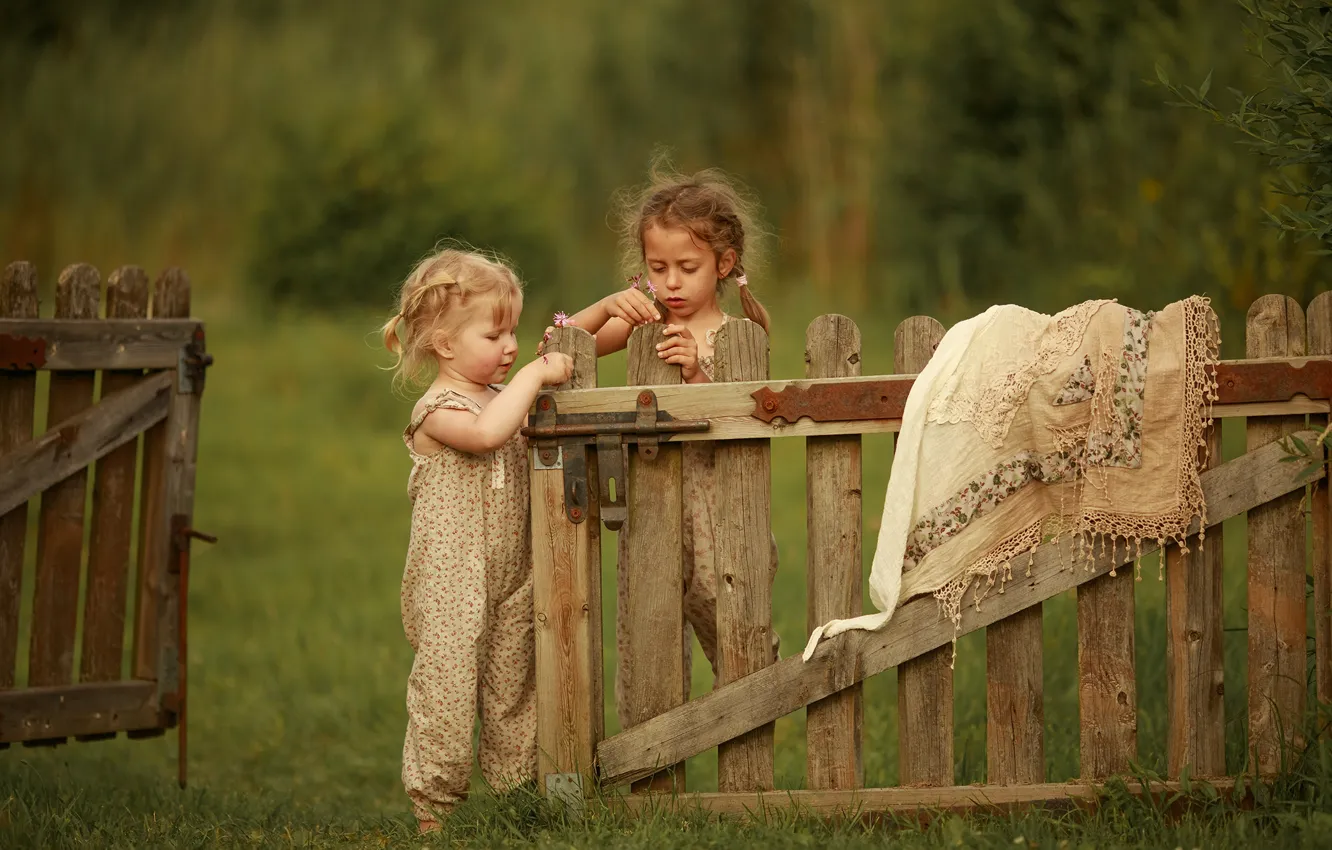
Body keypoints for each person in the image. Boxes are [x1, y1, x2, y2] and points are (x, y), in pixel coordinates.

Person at [550, 160, 779, 726]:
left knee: (725, 615)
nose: (671, 282)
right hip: (650, 500)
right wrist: (607, 307)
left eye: (687, 267)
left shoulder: (740, 334)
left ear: (724, 265)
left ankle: (749, 715)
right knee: (647, 624)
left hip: (719, 503)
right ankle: (651, 754)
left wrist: (699, 374)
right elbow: (555, 352)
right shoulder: (641, 323)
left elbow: (740, 414)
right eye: (658, 268)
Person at [382, 246, 573, 833]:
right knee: (447, 686)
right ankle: (433, 810)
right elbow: (489, 435)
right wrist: (535, 375)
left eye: (513, 332)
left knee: (513, 687)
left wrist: (595, 321)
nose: (511, 348)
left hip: (511, 574)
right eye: (495, 335)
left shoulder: (501, 395)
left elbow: (553, 359)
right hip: (451, 582)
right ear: (444, 345)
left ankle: (518, 798)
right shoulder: (437, 408)